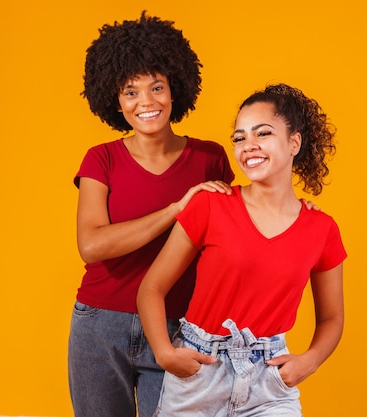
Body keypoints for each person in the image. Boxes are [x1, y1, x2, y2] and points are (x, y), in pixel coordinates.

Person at [137, 83, 347, 416]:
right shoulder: (210, 206)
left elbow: (333, 317)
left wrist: (310, 361)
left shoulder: (322, 229)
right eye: (239, 138)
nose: (248, 146)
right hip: (199, 373)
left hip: (268, 380)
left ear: (294, 142)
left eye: (262, 134)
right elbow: (152, 287)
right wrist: (164, 353)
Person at [68, 12, 235, 417]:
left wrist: (299, 208)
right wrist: (177, 209)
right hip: (99, 325)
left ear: (175, 88)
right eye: (131, 92)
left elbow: (238, 231)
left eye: (156, 87)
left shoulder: (209, 158)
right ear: (114, 99)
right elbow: (92, 246)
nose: (146, 102)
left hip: (179, 326)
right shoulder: (101, 159)